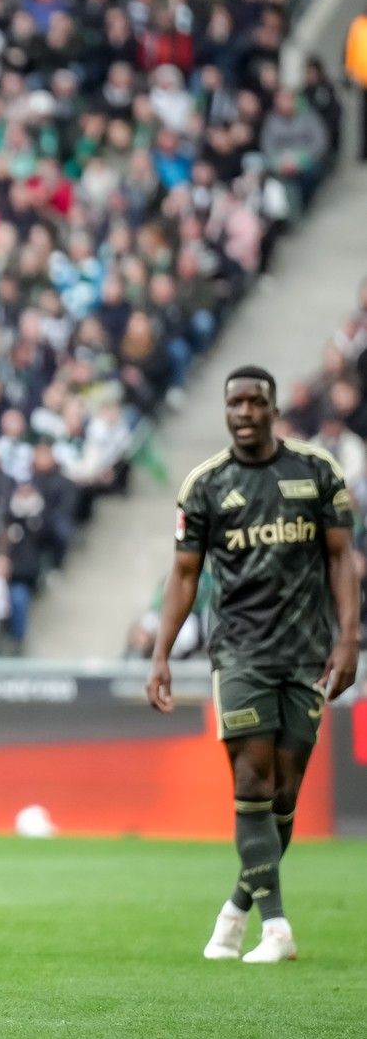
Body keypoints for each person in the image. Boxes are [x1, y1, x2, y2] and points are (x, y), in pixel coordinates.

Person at [147, 365, 358, 964]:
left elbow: (342, 560)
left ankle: (235, 911)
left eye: (254, 402)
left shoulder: (317, 473)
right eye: (234, 403)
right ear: (225, 411)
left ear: (272, 408)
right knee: (250, 782)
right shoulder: (205, 485)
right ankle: (277, 927)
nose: (243, 412)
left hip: (307, 652)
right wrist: (161, 653)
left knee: (285, 791)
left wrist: (349, 640)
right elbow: (185, 575)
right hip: (239, 652)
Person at [346, 5, 367, 164]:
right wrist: (349, 72)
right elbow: (350, 48)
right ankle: (363, 149)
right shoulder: (358, 24)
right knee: (363, 117)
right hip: (362, 80)